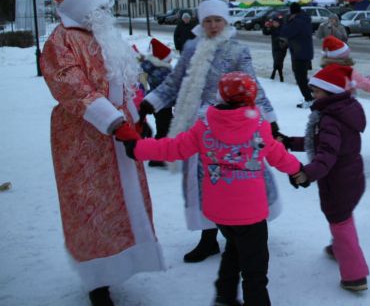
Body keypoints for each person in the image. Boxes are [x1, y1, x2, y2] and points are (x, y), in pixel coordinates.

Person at [118, 72, 302, 306]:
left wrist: (138, 149)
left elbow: (173, 148)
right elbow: (278, 155)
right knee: (254, 269)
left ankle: (225, 295)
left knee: (234, 249)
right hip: (251, 215)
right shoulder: (259, 127)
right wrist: (298, 170)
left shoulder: (204, 127)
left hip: (219, 212)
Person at [40, 0, 164, 306]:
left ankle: (126, 261)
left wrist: (137, 116)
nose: (104, 12)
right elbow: (71, 87)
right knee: (91, 205)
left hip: (120, 134)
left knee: (124, 202)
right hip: (83, 138)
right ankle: (98, 280)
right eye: (97, 7)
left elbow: (125, 81)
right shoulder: (61, 40)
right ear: (80, 9)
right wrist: (115, 122)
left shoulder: (105, 35)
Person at [140, 0, 280, 264]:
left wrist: (270, 119)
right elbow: (175, 82)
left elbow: (253, 86)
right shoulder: (192, 48)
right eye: (208, 20)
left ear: (226, 21)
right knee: (199, 183)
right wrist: (150, 102)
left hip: (233, 127)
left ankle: (239, 231)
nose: (213, 25)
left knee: (232, 181)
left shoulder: (237, 50)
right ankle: (208, 239)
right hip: (199, 128)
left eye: (218, 20)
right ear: (201, 22)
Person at [281, 64, 370, 292]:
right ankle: (339, 247)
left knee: (340, 223)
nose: (313, 95)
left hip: (337, 182)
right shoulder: (342, 111)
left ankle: (355, 276)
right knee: (342, 218)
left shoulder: (330, 119)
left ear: (330, 93)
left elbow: (326, 155)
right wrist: (290, 142)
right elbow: (321, 142)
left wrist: (306, 174)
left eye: (317, 91)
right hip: (351, 177)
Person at [138, 38, 175, 167]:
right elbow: (169, 89)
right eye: (169, 58)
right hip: (162, 105)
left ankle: (161, 155)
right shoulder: (162, 71)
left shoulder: (156, 68)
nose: (171, 60)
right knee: (164, 130)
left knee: (165, 129)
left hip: (160, 105)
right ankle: (157, 157)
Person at [281, 2, 315, 108]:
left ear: (292, 12)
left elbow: (285, 32)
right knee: (303, 77)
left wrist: (286, 21)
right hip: (304, 52)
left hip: (299, 53)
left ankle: (309, 99)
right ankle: (314, 95)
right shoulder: (304, 18)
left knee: (300, 78)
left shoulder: (297, 21)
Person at [267, 14, 287, 82]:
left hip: (282, 48)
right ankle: (281, 77)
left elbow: (285, 38)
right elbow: (266, 32)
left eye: (275, 22)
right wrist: (266, 27)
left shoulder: (284, 28)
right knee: (278, 62)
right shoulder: (272, 28)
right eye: (273, 22)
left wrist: (279, 39)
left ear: (279, 22)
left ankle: (273, 74)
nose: (274, 23)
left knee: (277, 62)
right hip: (274, 48)